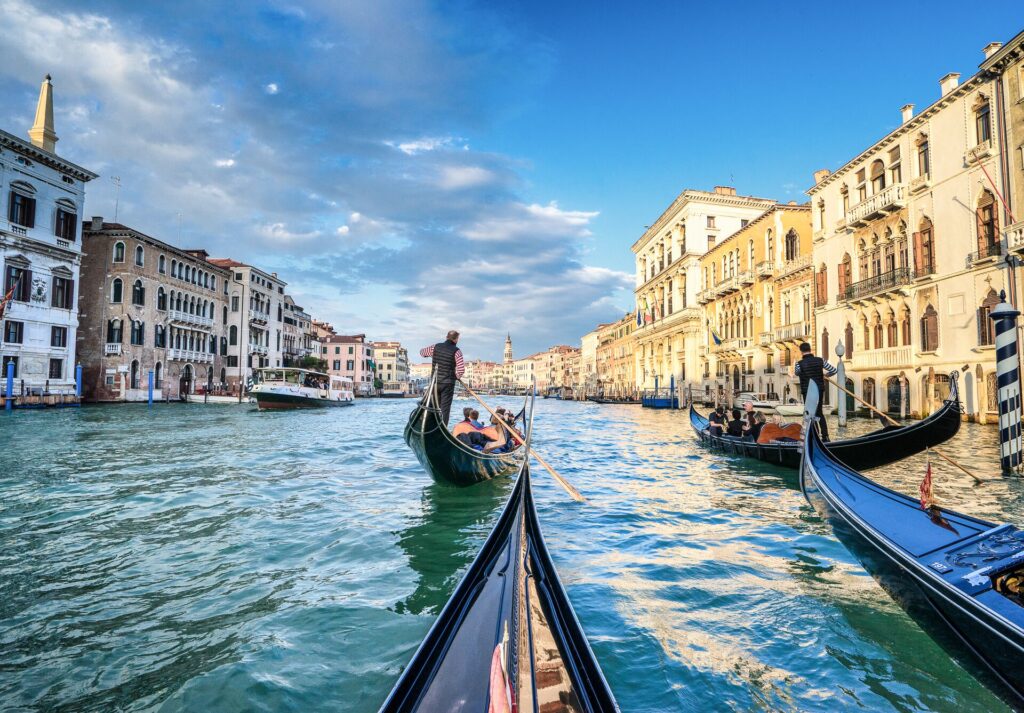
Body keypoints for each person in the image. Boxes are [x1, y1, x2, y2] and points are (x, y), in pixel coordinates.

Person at [419, 330, 465, 425]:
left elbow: (422, 353)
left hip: (435, 383)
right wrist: (455, 376)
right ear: (456, 339)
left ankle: (428, 425)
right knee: (445, 408)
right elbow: (460, 370)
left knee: (433, 405)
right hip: (448, 384)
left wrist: (434, 354)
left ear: (446, 337)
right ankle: (443, 427)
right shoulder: (457, 351)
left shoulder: (435, 347)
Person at [794, 341, 837, 441]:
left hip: (807, 391)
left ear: (801, 351)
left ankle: (815, 435)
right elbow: (834, 370)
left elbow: (797, 373)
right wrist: (826, 375)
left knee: (810, 414)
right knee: (819, 412)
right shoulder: (820, 360)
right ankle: (825, 436)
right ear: (810, 350)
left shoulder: (799, 364)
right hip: (819, 389)